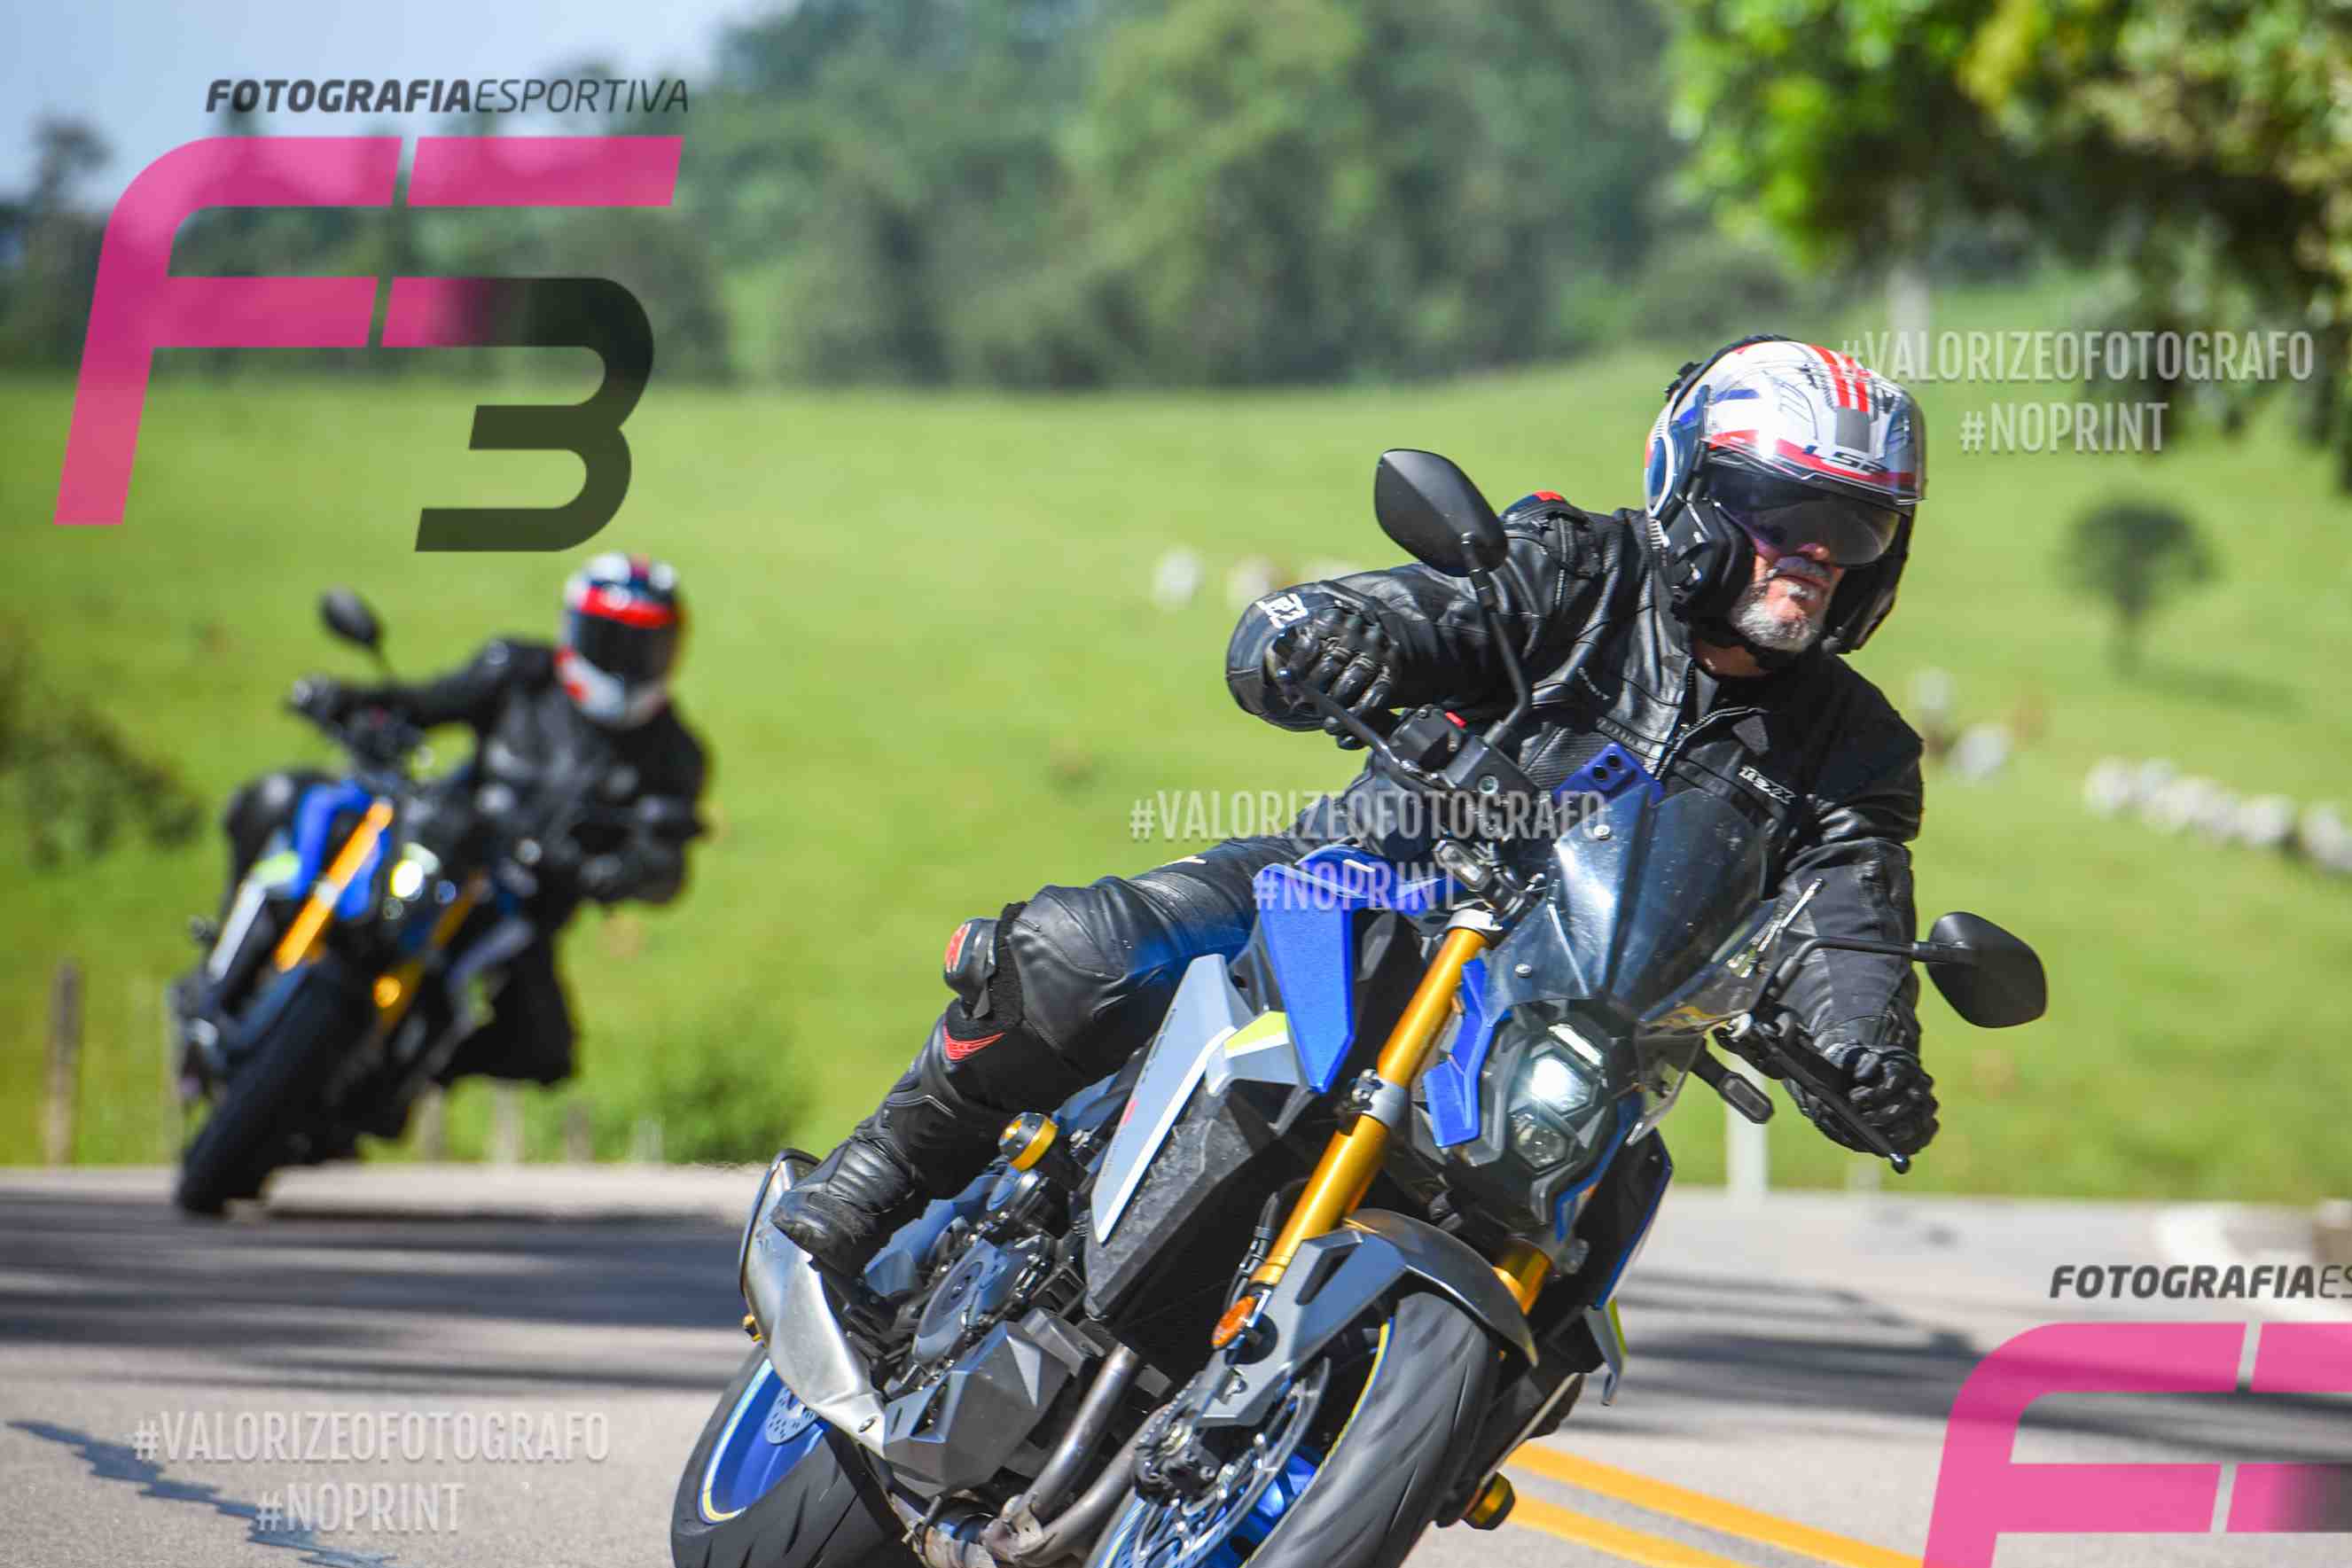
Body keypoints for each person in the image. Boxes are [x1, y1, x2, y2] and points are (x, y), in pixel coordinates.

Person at [775, 336, 1939, 1278]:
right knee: (1086, 953)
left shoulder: (1858, 750)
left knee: (1589, 1248)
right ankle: (884, 1170)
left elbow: (1851, 912)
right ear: (1696, 493)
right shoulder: (1575, 569)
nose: (1813, 556)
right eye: (1781, 513)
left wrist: (1864, 1048)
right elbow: (1412, 610)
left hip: (1567, 1028)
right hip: (1359, 883)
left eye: (1854, 531)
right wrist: (1336, 639)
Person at [209, 552, 708, 1090]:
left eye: (644, 646)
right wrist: (349, 701)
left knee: (546, 1050)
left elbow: (668, 864)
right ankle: (224, 966)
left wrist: (626, 870)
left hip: (519, 910)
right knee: (288, 799)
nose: (626, 661)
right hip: (438, 844)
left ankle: (406, 1076)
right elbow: (423, 702)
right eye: (612, 640)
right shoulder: (520, 672)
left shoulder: (676, 753)